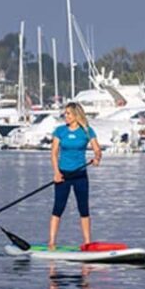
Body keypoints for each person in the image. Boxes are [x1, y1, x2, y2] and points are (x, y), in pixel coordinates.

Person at [48, 102, 102, 250]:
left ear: (76, 115)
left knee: (83, 209)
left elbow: (97, 150)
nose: (65, 116)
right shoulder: (60, 131)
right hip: (63, 175)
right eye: (65, 114)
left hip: (80, 175)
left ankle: (87, 243)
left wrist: (97, 158)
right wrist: (56, 173)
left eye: (68, 114)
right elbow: (54, 153)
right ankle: (52, 242)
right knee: (58, 208)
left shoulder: (87, 131)